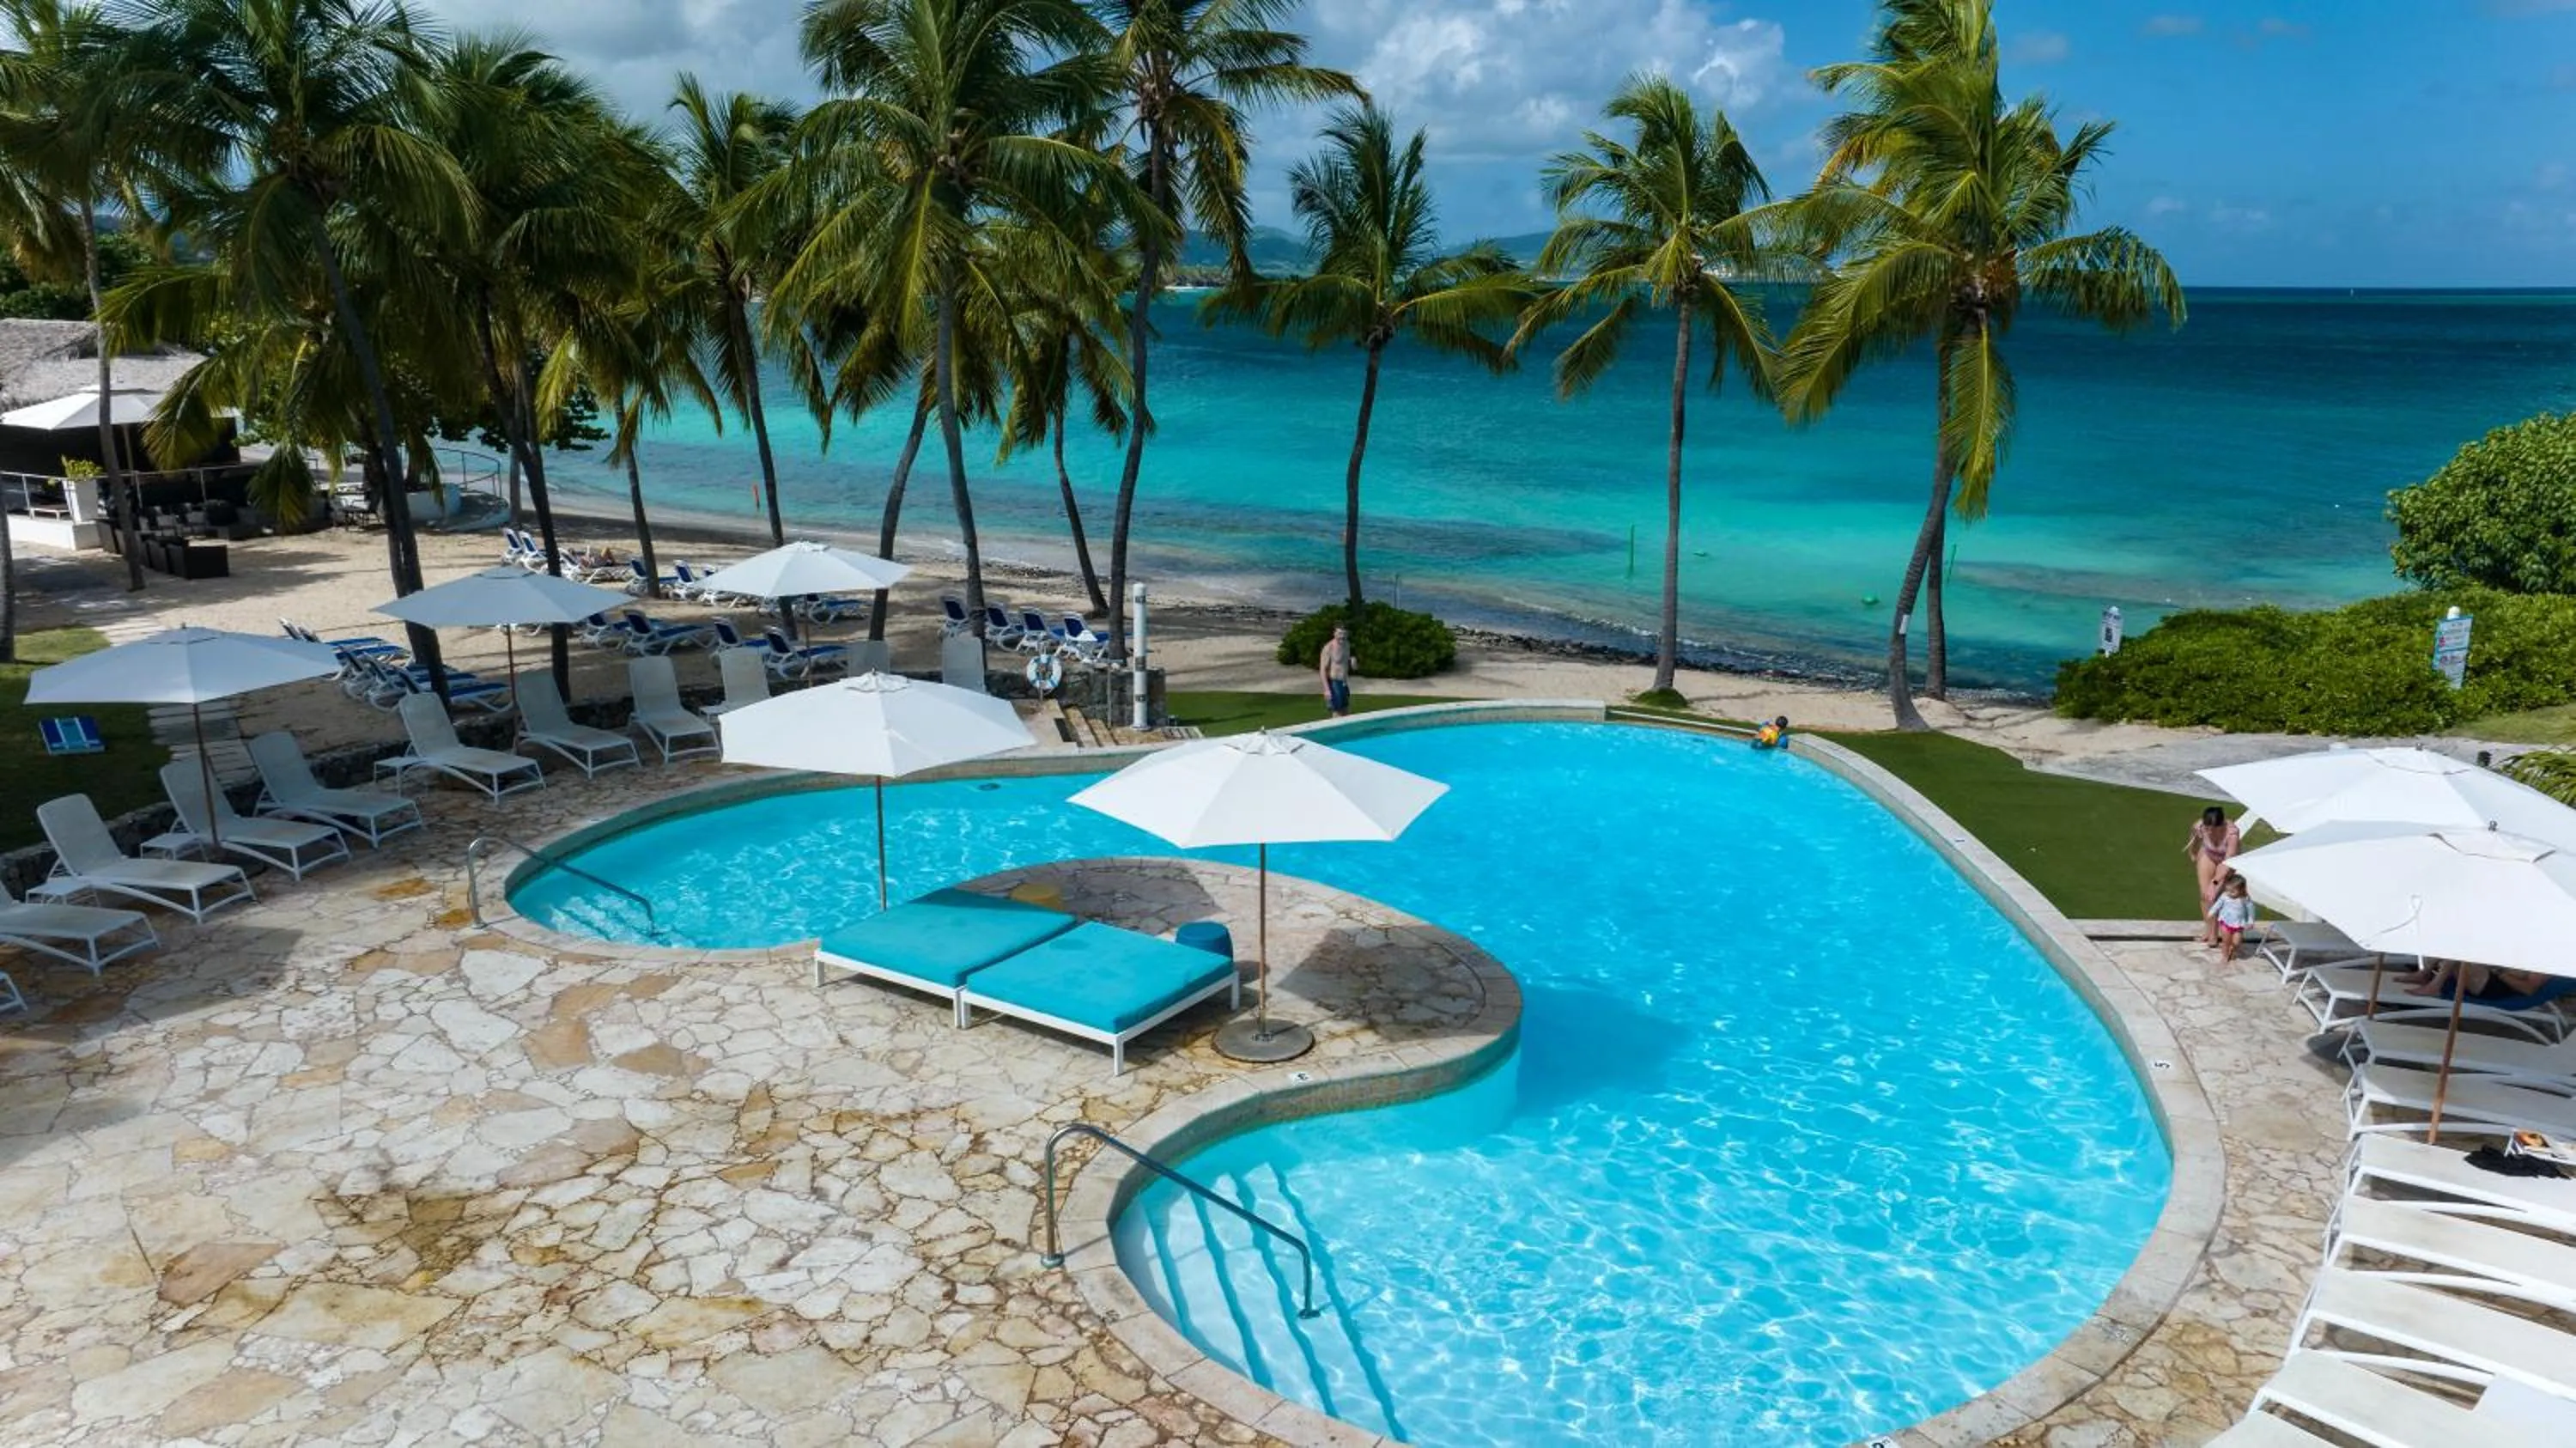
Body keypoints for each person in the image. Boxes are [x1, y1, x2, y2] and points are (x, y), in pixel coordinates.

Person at [2184, 806, 2241, 946]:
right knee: (2205, 896)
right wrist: (2193, 852)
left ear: (2221, 825)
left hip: (2227, 861)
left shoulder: (2232, 834)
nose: (2209, 832)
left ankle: (2217, 934)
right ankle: (2209, 932)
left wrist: (2214, 883)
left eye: (2213, 829)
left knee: (2215, 895)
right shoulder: (2200, 826)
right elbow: (2194, 837)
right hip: (2208, 855)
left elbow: (2227, 862)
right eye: (2207, 828)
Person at [2399, 959, 2552, 1001]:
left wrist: (2499, 972)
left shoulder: (2547, 963)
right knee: (2456, 944)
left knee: (2460, 953)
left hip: (2498, 988)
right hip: (2491, 975)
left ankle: (2433, 984)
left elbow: (2529, 989)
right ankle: (2425, 973)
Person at [2205, 873, 2256, 960]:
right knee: (2226, 941)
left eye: (2232, 891)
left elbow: (2251, 910)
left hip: (2238, 924)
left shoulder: (2245, 899)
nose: (2229, 893)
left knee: (2236, 942)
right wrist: (2211, 913)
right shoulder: (2225, 896)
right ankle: (2225, 956)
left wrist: (2250, 921)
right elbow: (2217, 905)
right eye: (2227, 890)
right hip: (2225, 922)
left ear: (2241, 890)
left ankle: (2234, 950)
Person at [1318, 624, 1352, 717]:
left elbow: (1344, 663)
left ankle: (1345, 731)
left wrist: (1352, 662)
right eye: (1340, 633)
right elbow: (1322, 670)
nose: (1342, 636)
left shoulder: (1347, 644)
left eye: (1344, 634)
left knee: (1345, 710)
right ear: (1334, 634)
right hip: (1334, 683)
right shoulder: (1328, 648)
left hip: (1344, 683)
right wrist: (1327, 690)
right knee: (1337, 713)